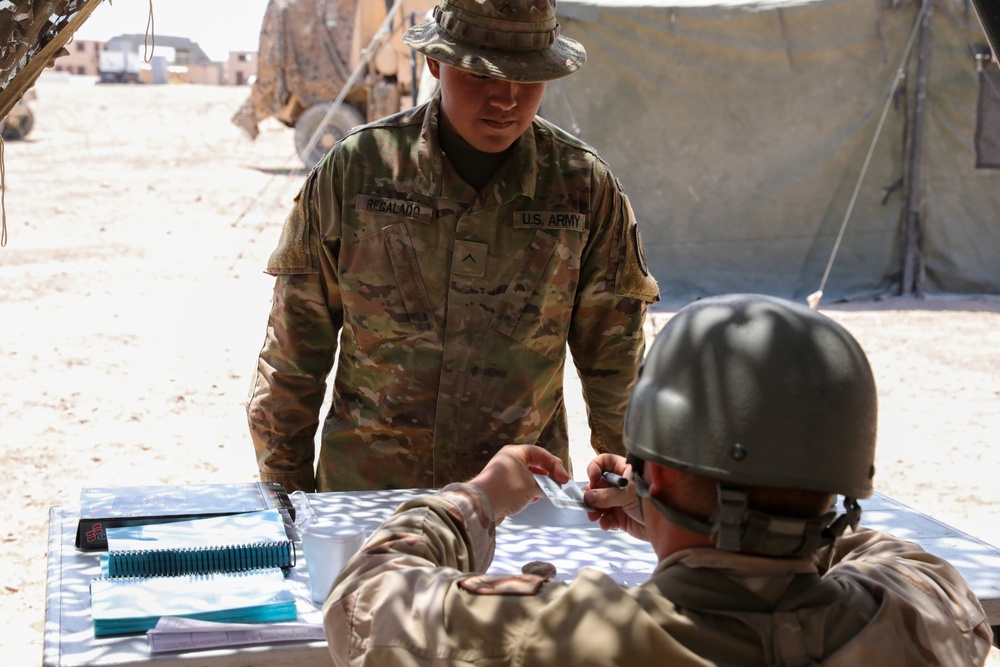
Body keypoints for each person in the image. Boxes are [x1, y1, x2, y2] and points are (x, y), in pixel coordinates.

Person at [321, 293, 994, 665]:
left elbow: (362, 599)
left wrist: (478, 498)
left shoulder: (555, 637)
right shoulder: (916, 622)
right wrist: (719, 526)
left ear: (660, 475)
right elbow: (899, 562)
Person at [246, 0, 660, 493]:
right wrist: (288, 499)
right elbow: (293, 357)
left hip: (519, 506)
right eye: (482, 76)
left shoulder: (583, 187)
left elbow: (615, 365)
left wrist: (636, 486)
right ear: (435, 63)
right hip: (372, 500)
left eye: (527, 79)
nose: (506, 99)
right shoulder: (357, 172)